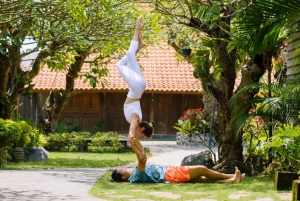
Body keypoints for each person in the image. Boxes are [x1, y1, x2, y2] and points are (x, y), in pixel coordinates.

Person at [111, 137, 243, 184]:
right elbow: (142, 160)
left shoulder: (134, 174)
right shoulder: (134, 177)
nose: (125, 168)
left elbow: (142, 157)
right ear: (123, 177)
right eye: (122, 169)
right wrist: (134, 145)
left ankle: (231, 181)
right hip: (169, 174)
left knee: (201, 178)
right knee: (202, 169)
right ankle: (232, 176)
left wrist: (135, 142)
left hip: (169, 173)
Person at [116, 15, 155, 139]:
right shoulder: (136, 119)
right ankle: (137, 29)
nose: (139, 136)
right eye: (142, 135)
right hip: (137, 87)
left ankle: (139, 46)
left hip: (139, 86)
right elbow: (132, 131)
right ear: (142, 129)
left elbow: (133, 131)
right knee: (121, 62)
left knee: (128, 56)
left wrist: (134, 138)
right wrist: (133, 137)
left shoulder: (137, 119)